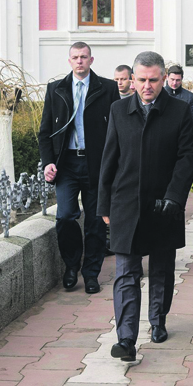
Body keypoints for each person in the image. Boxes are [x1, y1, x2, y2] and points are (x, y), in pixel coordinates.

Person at [98, 51, 193, 362]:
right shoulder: (118, 110)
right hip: (126, 205)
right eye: (140, 80)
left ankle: (158, 320)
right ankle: (125, 339)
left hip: (163, 205)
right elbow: (109, 159)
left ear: (164, 78)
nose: (146, 86)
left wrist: (174, 197)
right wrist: (104, 203)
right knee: (126, 272)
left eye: (153, 80)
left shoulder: (179, 111)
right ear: (132, 79)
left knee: (161, 269)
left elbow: (187, 157)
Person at [38, 41, 120, 294]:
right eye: (75, 57)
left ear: (91, 60)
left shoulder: (107, 88)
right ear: (69, 61)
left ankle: (91, 273)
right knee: (65, 216)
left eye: (84, 57)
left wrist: (114, 165)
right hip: (67, 164)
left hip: (97, 164)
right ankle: (71, 266)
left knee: (96, 221)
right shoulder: (56, 89)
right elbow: (45, 133)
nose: (80, 61)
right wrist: (48, 162)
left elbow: (117, 131)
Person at [164, 64, 193, 135]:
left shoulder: (189, 96)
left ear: (182, 79)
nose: (174, 83)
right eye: (172, 79)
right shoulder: (159, 94)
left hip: (183, 137)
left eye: (178, 80)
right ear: (167, 77)